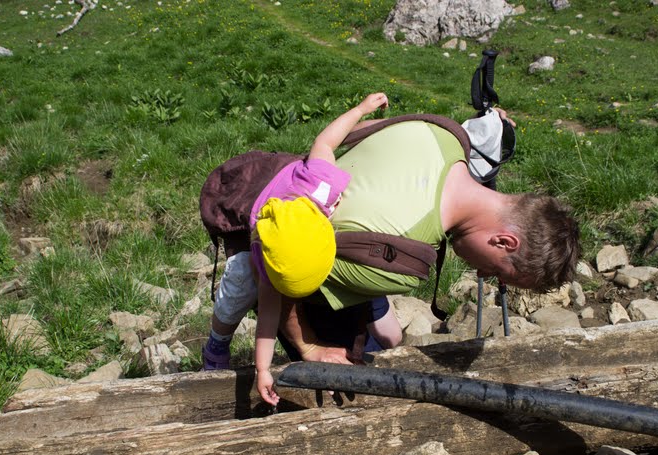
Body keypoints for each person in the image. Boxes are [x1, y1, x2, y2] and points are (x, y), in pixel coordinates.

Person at [276, 108, 580, 365]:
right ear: (504, 241)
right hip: (271, 240)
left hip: (284, 179)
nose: (481, 273)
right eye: (496, 270)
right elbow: (274, 269)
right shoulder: (402, 261)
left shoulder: (443, 135)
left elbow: (353, 133)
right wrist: (308, 346)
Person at [201, 92, 401, 405]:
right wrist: (263, 369)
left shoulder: (321, 183)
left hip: (295, 185)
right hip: (259, 206)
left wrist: (361, 108)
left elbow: (325, 140)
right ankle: (216, 343)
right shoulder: (265, 258)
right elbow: (268, 319)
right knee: (241, 279)